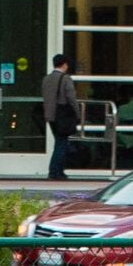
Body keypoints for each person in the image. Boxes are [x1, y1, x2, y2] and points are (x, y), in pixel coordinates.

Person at [42, 52, 82, 180]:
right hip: (62, 115)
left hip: (50, 115)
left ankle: (56, 171)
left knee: (59, 142)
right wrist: (77, 113)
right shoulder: (65, 79)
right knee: (61, 144)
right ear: (65, 64)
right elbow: (71, 97)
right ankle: (55, 171)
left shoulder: (46, 79)